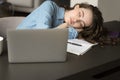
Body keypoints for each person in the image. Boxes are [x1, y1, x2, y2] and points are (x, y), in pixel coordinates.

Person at [16, 0, 104, 43]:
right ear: (77, 6)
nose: (76, 20)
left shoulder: (69, 27)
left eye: (81, 23)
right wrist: (61, 28)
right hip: (16, 45)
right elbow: (42, 36)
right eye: (80, 14)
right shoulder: (49, 6)